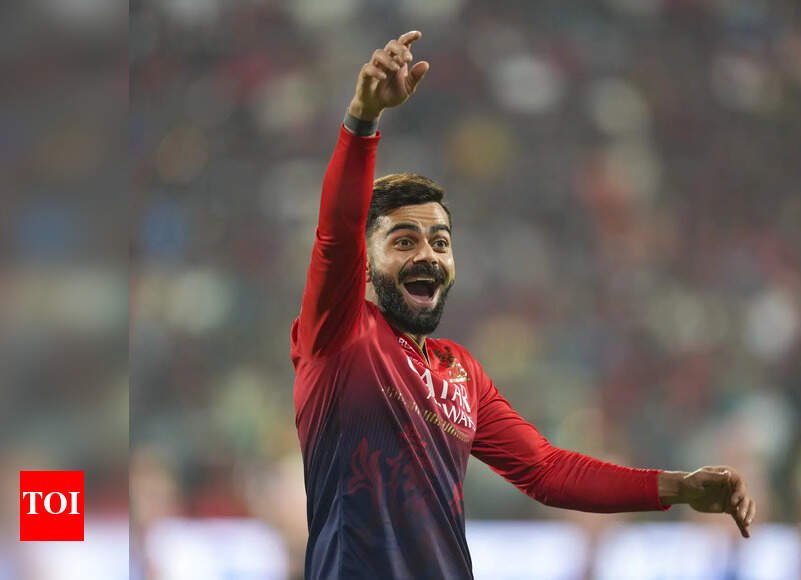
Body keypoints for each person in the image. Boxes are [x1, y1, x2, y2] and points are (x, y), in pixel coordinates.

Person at [291, 30, 756, 579]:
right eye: (404, 241)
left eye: (440, 242)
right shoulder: (340, 337)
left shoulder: (461, 373)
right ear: (365, 265)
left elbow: (547, 470)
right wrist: (364, 117)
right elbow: (337, 231)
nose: (427, 255)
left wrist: (679, 487)